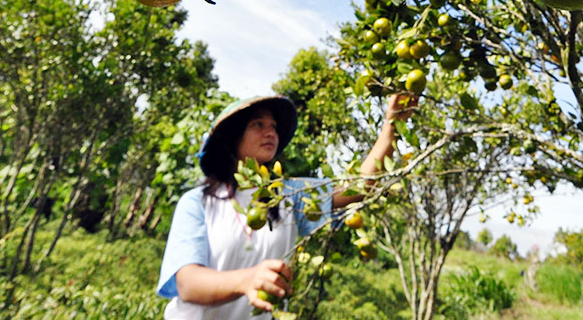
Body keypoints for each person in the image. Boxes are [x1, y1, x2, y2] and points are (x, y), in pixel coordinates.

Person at [157, 92, 413, 319]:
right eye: (258, 124)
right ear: (233, 137)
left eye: (274, 127)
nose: (271, 132)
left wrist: (391, 126)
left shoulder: (289, 197)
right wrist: (246, 280)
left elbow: (357, 187)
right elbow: (187, 284)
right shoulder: (198, 202)